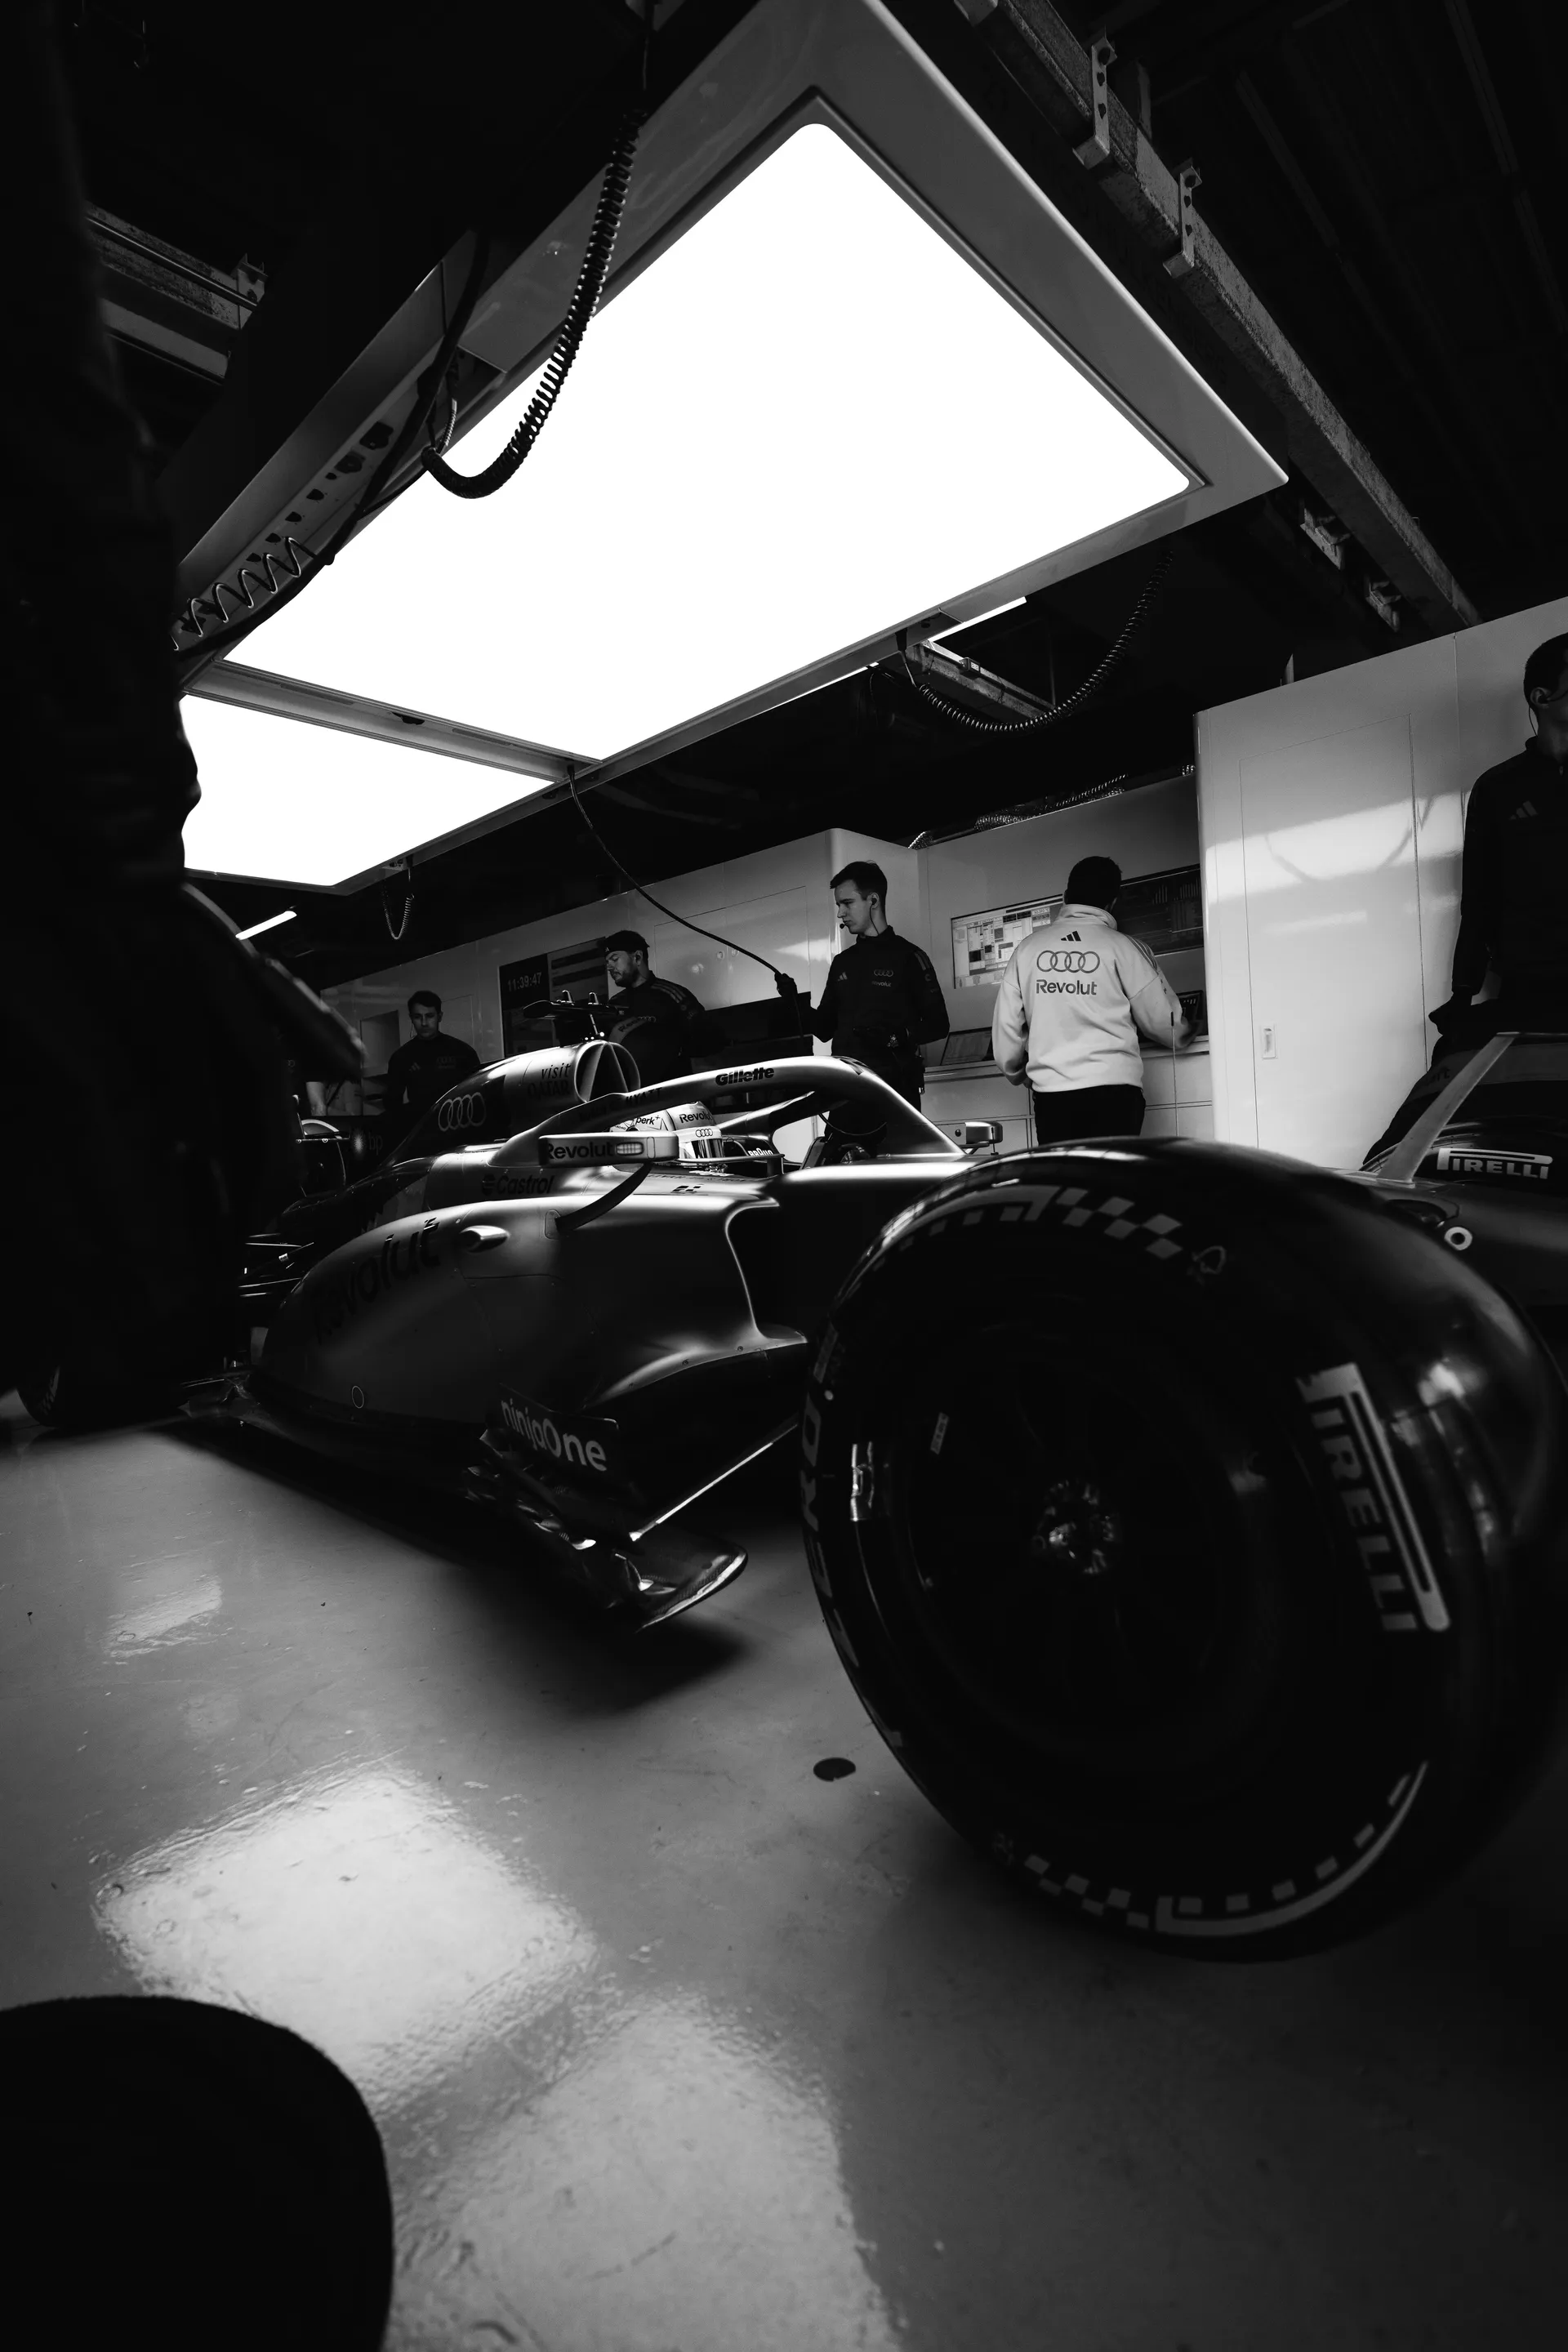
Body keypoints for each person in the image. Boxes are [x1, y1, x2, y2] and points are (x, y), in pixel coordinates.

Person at [1429, 631, 1568, 1046]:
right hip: (1531, 989)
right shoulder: (1497, 788)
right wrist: (1463, 994)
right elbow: (1479, 898)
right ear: (1542, 698)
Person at [992, 855, 1187, 1144]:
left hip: (1053, 1097)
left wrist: (1019, 1072)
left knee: (1065, 1184)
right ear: (1112, 902)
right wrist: (1186, 1032)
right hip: (1116, 1093)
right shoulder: (1127, 948)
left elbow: (1007, 1031)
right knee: (1110, 1182)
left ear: (1065, 897)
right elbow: (1164, 1022)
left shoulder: (1027, 950)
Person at [783, 861, 949, 1157]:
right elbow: (823, 1029)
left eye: (847, 903)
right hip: (844, 1096)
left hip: (895, 1095)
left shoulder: (910, 957)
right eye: (838, 905)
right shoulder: (843, 962)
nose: (840, 913)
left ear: (873, 900)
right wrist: (794, 1001)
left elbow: (939, 1024)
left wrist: (896, 1037)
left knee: (896, 1184)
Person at [603, 929, 713, 1084]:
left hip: (674, 1096)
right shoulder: (614, 1004)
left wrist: (667, 1047)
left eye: (614, 959)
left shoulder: (672, 995)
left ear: (637, 957)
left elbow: (710, 1039)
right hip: (634, 1098)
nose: (609, 967)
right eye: (607, 962)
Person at [381, 990, 481, 1129]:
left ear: (439, 1016)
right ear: (411, 1018)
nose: (424, 1023)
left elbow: (478, 1095)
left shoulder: (462, 1052)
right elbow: (392, 1104)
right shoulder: (402, 1057)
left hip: (459, 1127)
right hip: (420, 1131)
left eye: (429, 1016)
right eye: (418, 1017)